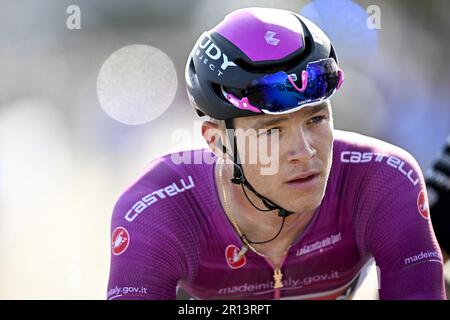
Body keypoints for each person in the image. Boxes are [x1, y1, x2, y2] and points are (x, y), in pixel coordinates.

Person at [107, 7, 446, 300]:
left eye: (316, 119)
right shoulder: (159, 211)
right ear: (217, 142)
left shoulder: (383, 179)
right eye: (272, 131)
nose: (304, 150)